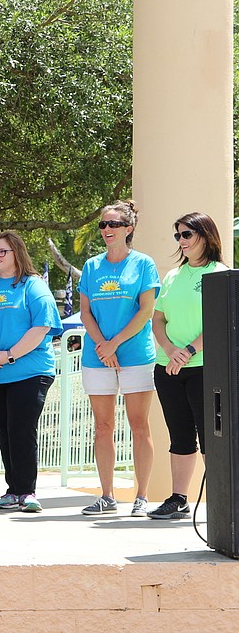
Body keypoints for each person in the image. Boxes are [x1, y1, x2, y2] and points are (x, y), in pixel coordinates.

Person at [0, 231, 63, 513]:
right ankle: (12, 490)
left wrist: (9, 355)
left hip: (27, 371)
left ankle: (26, 491)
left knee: (21, 429)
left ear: (17, 253)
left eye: (2, 251)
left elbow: (41, 327)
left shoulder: (33, 287)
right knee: (3, 430)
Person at [77, 200, 159, 517]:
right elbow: (85, 312)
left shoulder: (143, 264)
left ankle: (141, 496)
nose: (107, 230)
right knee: (103, 427)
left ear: (128, 228)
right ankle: (107, 496)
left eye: (113, 224)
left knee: (139, 426)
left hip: (135, 354)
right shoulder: (91, 267)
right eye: (103, 225)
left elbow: (146, 311)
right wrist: (103, 346)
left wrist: (116, 343)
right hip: (97, 356)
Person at [148, 212, 227, 520]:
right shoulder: (172, 276)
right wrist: (169, 350)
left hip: (204, 366)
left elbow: (219, 319)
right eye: (177, 235)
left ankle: (222, 499)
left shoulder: (219, 273)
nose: (180, 241)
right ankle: (179, 498)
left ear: (205, 237)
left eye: (186, 235)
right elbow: (158, 319)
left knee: (211, 435)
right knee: (179, 435)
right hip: (167, 368)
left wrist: (190, 350)